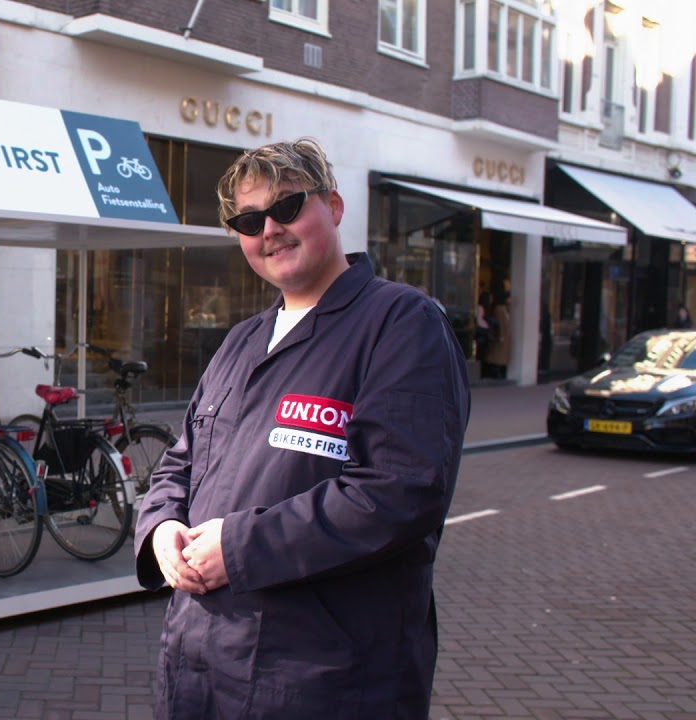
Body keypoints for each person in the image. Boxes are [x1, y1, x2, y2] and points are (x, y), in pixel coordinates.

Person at [133, 138, 470, 719]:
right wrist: (161, 529)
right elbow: (180, 462)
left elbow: (398, 492)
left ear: (333, 207)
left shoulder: (400, 324)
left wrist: (238, 546)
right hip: (199, 671)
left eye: (287, 207)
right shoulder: (240, 341)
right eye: (249, 220)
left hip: (321, 681)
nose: (270, 229)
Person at [482, 290, 511, 380]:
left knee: (500, 354)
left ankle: (498, 371)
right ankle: (495, 372)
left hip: (504, 335)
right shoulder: (500, 309)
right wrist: (500, 335)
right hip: (501, 336)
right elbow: (500, 323)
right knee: (497, 354)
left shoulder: (505, 308)